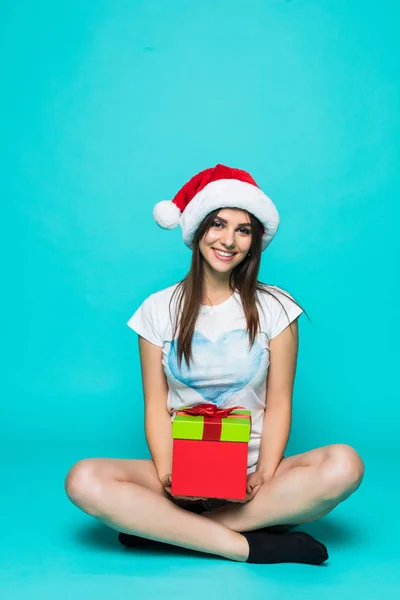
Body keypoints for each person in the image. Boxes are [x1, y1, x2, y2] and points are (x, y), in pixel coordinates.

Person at [65, 164, 364, 565]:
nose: (229, 240)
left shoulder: (277, 308)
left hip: (252, 471)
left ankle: (173, 532)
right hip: (180, 470)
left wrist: (265, 474)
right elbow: (156, 405)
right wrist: (171, 477)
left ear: (255, 241)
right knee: (83, 479)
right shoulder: (157, 309)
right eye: (218, 224)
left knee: (344, 464)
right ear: (196, 230)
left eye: (243, 230)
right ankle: (243, 543)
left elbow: (279, 403)